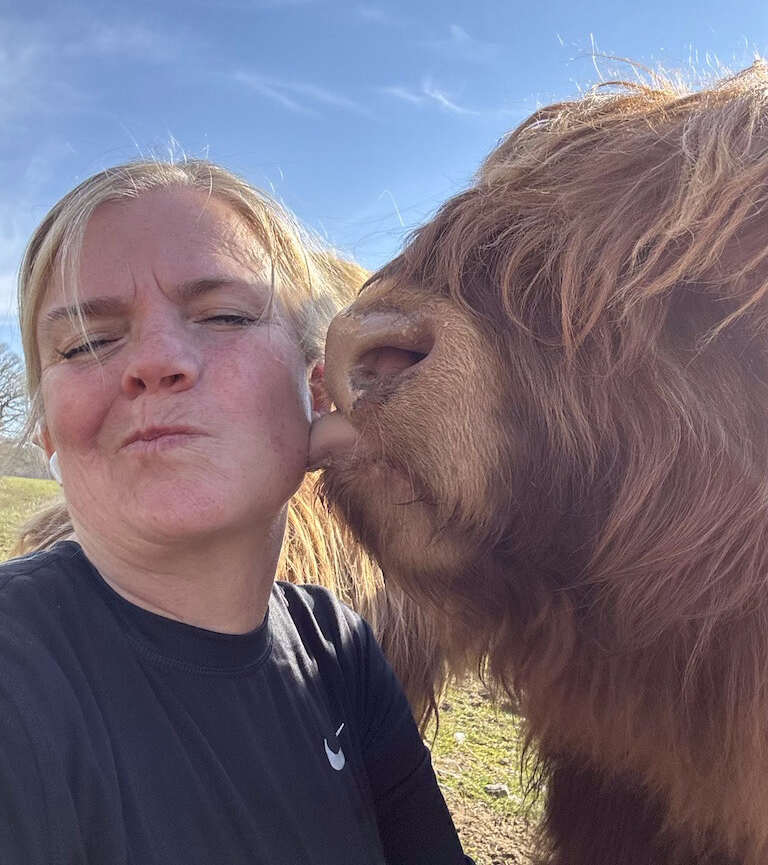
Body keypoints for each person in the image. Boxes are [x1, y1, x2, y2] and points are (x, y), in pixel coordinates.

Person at [2, 160, 471, 865]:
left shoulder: (338, 651)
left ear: (321, 391)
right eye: (86, 342)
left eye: (224, 315)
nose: (155, 361)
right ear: (48, 429)